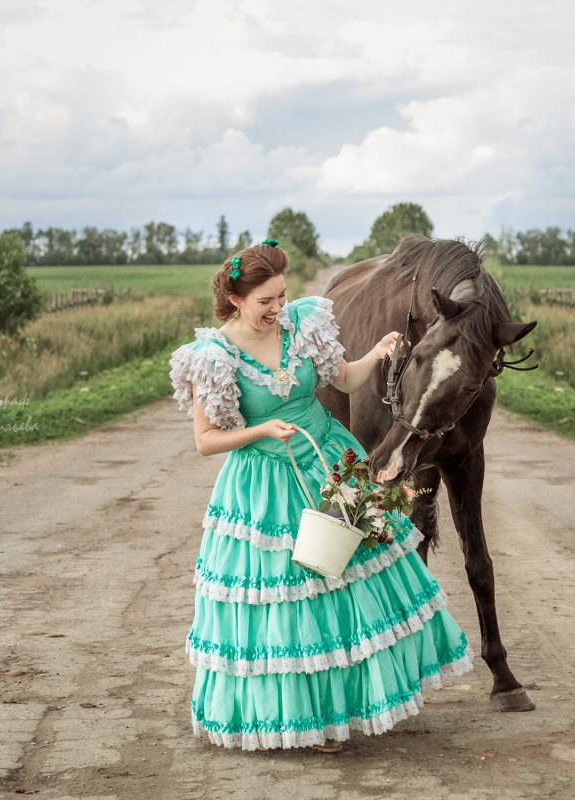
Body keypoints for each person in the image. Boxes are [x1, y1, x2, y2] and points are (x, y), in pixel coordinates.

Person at [168, 239, 472, 753]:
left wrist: (376, 354)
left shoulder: (303, 325)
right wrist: (260, 432)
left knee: (348, 583)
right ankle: (306, 718)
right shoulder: (212, 357)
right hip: (264, 484)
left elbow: (346, 379)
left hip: (330, 460)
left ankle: (344, 711)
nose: (277, 309)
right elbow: (205, 442)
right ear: (236, 300)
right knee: (289, 597)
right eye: (266, 301)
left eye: (282, 297)